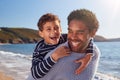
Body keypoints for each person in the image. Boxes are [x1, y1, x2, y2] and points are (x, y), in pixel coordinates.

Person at [29, 9, 100, 80]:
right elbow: (35, 74)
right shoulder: (40, 50)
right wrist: (54, 57)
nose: (54, 32)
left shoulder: (63, 38)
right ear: (41, 33)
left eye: (56, 28)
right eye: (48, 29)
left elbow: (89, 39)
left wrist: (89, 54)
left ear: (61, 29)